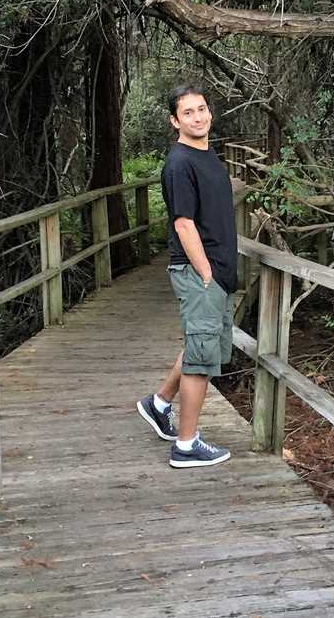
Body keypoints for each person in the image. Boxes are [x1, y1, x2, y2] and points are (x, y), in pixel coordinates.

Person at [136, 84, 237, 468]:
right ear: (174, 121)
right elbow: (183, 223)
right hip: (201, 271)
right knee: (200, 358)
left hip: (217, 271)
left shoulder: (207, 154)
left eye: (202, 109)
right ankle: (186, 444)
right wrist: (206, 273)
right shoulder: (179, 163)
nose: (198, 117)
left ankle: (158, 403)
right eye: (188, 112)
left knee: (201, 343)